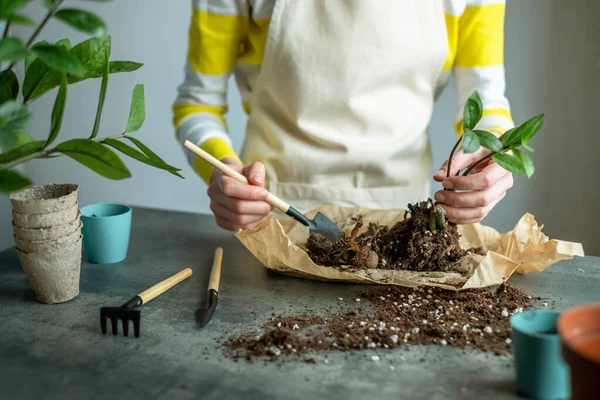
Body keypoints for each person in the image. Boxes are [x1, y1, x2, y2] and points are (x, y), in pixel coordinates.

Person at [173, 0, 515, 231]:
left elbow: (487, 107)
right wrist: (224, 169)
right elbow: (197, 104)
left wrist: (496, 158)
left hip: (403, 220)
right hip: (275, 219)